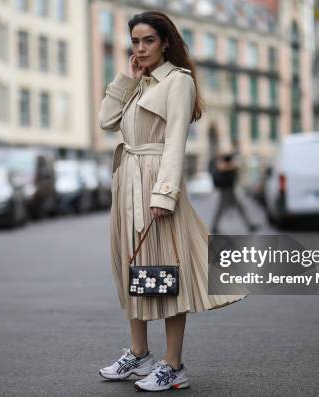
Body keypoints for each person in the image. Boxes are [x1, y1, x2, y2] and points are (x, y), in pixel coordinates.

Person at [97, 11, 246, 392]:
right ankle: (138, 353)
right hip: (126, 180)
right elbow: (105, 121)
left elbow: (176, 140)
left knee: (164, 273)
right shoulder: (138, 81)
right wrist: (125, 79)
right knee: (133, 269)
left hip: (154, 185)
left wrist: (164, 194)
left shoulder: (177, 82)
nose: (141, 48)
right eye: (135, 41)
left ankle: (173, 364)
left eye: (148, 40)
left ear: (165, 42)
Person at [210, 150, 258, 234]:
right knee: (222, 208)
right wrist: (231, 165)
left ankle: (249, 225)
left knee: (238, 207)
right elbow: (223, 167)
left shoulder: (226, 163)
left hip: (229, 189)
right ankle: (214, 227)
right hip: (226, 190)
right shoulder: (221, 163)